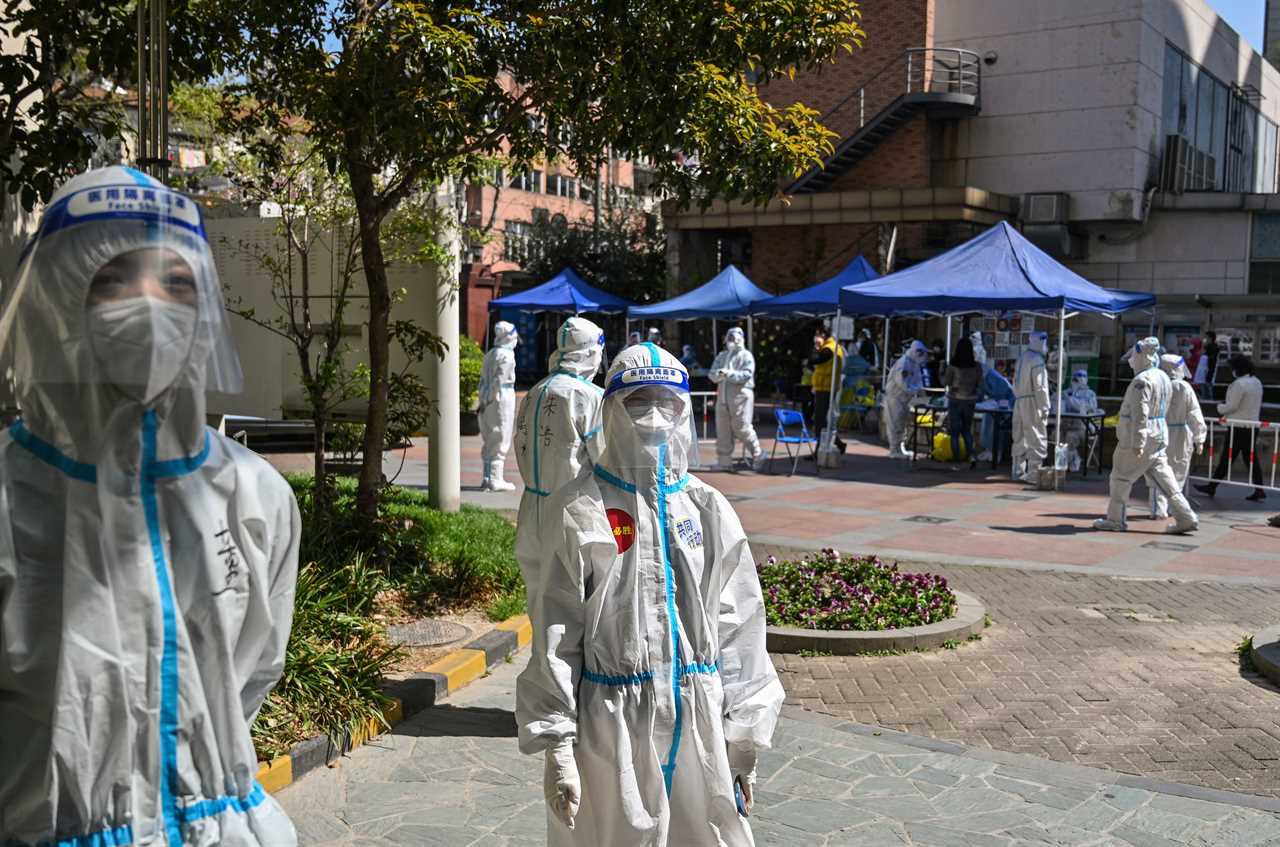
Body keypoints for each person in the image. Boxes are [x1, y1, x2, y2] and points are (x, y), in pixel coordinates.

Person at [0, 166, 300, 846]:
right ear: (55, 298)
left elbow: (250, 672)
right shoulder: (10, 493)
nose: (150, 305)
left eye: (176, 282)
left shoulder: (253, 497)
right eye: (113, 279)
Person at [516, 342, 784, 847]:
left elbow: (741, 624)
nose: (655, 416)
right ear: (611, 409)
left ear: (685, 412)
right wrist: (558, 745)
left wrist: (745, 738)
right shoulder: (581, 509)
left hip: (699, 723)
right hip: (611, 727)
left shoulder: (706, 509)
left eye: (669, 402)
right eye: (639, 401)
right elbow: (557, 628)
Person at [513, 317, 605, 593]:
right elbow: (605, 460)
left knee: (540, 598)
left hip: (531, 510)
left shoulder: (535, 391)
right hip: (575, 512)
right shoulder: (589, 396)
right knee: (576, 601)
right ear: (590, 353)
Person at [1094, 338, 1198, 534]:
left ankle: (1115, 520)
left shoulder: (1141, 381)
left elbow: (1140, 414)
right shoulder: (1163, 377)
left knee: (1120, 478)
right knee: (1165, 479)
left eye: (1134, 356)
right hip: (1159, 435)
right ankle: (1186, 516)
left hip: (1139, 437)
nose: (1132, 360)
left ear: (1142, 356)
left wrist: (1138, 442)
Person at [1194, 354, 1266, 502]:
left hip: (1237, 427)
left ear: (1237, 369)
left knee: (1227, 458)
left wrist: (1219, 407)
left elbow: (1231, 406)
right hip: (1252, 426)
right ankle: (1259, 489)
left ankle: (1212, 486)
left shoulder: (1239, 384)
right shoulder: (1256, 382)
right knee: (1251, 459)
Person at [1148, 354, 1206, 519]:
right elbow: (1194, 413)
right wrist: (1199, 438)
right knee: (1178, 471)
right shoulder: (1184, 387)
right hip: (1181, 434)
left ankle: (1157, 509)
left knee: (1157, 470)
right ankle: (1175, 508)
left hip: (1159, 431)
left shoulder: (1156, 384)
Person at [708, 326, 765, 471]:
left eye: (734, 338)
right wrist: (719, 374)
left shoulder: (746, 356)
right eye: (729, 338)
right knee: (723, 430)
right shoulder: (722, 356)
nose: (731, 341)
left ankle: (758, 453)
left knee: (742, 427)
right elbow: (712, 374)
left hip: (740, 396)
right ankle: (724, 462)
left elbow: (746, 374)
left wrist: (729, 374)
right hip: (722, 397)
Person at [479, 320, 519, 491]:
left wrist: (484, 397)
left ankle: (487, 477)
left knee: (489, 435)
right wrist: (492, 395)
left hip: (487, 397)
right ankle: (495, 478)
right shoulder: (507, 355)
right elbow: (499, 379)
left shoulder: (490, 353)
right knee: (501, 434)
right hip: (501, 396)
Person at [1011, 330, 1050, 484]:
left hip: (1019, 401)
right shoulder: (1037, 360)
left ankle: (1018, 471)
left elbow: (1014, 382)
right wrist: (1044, 406)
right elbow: (1040, 387)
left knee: (1019, 436)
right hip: (1033, 402)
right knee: (1036, 436)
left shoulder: (1022, 358)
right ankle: (1034, 474)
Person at [884, 340, 928, 459]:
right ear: (916, 352)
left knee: (902, 424)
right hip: (895, 398)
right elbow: (902, 383)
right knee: (895, 423)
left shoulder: (914, 364)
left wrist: (920, 390)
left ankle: (900, 447)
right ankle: (894, 449)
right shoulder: (903, 363)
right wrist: (914, 391)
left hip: (904, 399)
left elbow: (918, 380)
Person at [943, 338, 982, 469]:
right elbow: (980, 384)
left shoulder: (953, 366)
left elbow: (946, 382)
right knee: (966, 430)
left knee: (954, 432)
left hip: (955, 399)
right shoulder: (977, 366)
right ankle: (972, 456)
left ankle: (957, 462)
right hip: (970, 400)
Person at [809, 325, 847, 454]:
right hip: (826, 386)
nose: (816, 337)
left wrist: (816, 347)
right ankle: (838, 444)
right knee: (823, 420)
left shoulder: (828, 350)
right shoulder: (834, 347)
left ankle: (819, 450)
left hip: (825, 388)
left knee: (820, 420)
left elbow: (814, 360)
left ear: (823, 335)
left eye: (817, 335)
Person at [1061, 368, 1101, 472]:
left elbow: (1087, 407)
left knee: (1070, 437)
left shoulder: (1090, 394)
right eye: (1076, 378)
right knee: (1057, 436)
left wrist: (1071, 399)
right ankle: (1062, 464)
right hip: (1066, 425)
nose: (1079, 380)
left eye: (1082, 377)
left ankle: (1071, 461)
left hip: (1084, 427)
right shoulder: (1066, 392)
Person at [1196, 330, 1220, 401]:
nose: (1205, 339)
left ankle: (1206, 403)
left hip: (1207, 370)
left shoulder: (1210, 347)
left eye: (1206, 337)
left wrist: (1203, 347)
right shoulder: (1215, 347)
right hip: (1210, 370)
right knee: (1207, 388)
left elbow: (1206, 358)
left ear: (1210, 338)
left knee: (1206, 389)